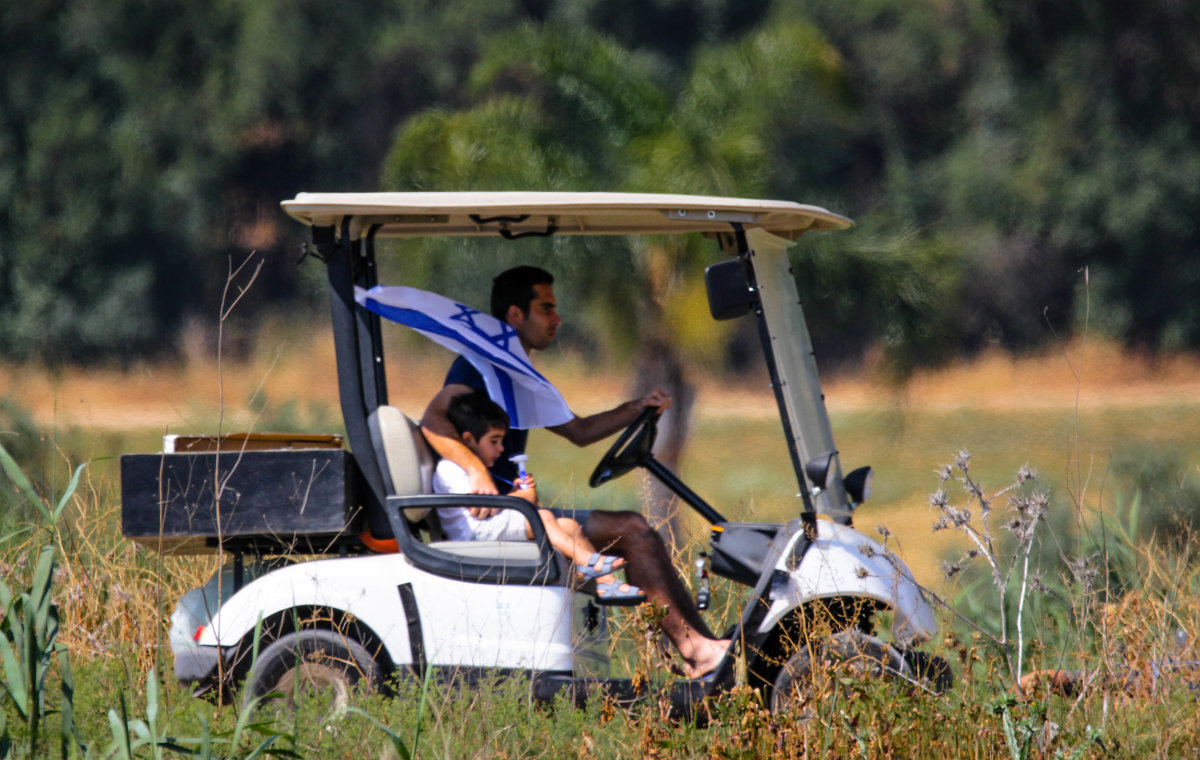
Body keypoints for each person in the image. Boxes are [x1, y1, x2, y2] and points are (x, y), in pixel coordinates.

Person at [422, 266, 729, 679]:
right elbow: (432, 419)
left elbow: (579, 431)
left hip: (517, 513)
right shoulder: (477, 368)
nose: (557, 320)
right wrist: (477, 472)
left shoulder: (518, 373)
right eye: (545, 309)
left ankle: (701, 647)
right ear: (515, 314)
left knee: (636, 527)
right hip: (494, 517)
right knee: (634, 531)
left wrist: (636, 408)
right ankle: (696, 650)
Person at [435, 390, 645, 604]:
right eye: (494, 441)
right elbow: (478, 510)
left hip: (487, 528)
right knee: (542, 517)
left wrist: (516, 496)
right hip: (473, 535)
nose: (501, 449)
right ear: (469, 439)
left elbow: (489, 506)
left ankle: (606, 583)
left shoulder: (473, 469)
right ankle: (591, 562)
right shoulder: (451, 468)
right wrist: (520, 499)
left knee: (569, 526)